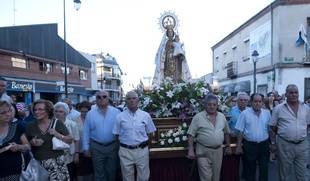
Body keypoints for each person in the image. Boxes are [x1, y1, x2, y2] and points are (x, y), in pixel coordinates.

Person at [269, 84, 310, 181]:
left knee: (302, 174)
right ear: (286, 94)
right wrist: (274, 143)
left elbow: (308, 125)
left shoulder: (306, 108)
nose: (294, 95)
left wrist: (299, 133)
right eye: (291, 92)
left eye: (296, 92)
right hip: (285, 145)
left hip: (302, 145)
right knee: (285, 173)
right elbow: (272, 127)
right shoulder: (278, 109)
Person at [113, 91, 156, 181]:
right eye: (129, 98)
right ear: (126, 101)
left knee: (144, 178)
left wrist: (148, 149)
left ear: (138, 101)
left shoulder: (145, 115)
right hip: (125, 151)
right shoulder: (119, 117)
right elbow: (116, 135)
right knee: (127, 178)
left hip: (142, 150)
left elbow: (150, 133)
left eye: (134, 98)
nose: (131, 101)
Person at [187, 94, 232, 181]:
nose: (212, 107)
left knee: (216, 178)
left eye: (214, 104)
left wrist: (228, 146)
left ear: (217, 105)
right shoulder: (198, 117)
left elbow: (226, 133)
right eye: (209, 104)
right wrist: (191, 150)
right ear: (205, 105)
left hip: (218, 151)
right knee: (206, 177)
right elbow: (191, 134)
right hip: (203, 151)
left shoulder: (222, 116)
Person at [25, 99, 72, 180]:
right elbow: (26, 144)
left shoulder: (57, 123)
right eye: (35, 110)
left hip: (57, 163)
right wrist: (32, 142)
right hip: (39, 164)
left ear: (48, 111)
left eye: (40, 109)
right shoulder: (30, 126)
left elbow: (70, 139)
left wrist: (57, 134)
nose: (36, 112)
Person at [83, 91, 120, 181]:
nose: (101, 99)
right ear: (96, 100)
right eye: (99, 97)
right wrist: (86, 148)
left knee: (112, 171)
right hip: (96, 147)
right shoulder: (90, 114)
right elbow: (86, 132)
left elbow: (121, 130)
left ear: (108, 98)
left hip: (113, 146)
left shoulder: (117, 112)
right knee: (99, 172)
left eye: (104, 96)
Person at [235, 93, 271, 181]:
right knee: (250, 169)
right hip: (249, 146)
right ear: (251, 102)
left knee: (264, 169)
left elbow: (270, 130)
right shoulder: (244, 114)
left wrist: (272, 143)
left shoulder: (267, 113)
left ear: (262, 103)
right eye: (255, 101)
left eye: (260, 101)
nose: (257, 103)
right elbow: (240, 131)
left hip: (264, 145)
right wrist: (239, 146)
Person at [0, 100, 30, 180]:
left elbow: (28, 147)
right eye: (3, 113)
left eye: (9, 111)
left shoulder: (17, 127)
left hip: (14, 173)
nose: (8, 114)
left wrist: (18, 147)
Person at [54, 102, 80, 181]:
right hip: (54, 156)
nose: (58, 113)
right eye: (56, 111)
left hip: (69, 156)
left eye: (61, 111)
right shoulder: (51, 124)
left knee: (69, 176)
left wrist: (76, 154)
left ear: (66, 113)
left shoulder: (72, 124)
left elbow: (77, 140)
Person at [76, 101, 93, 181]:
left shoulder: (92, 120)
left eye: (86, 111)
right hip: (79, 150)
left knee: (90, 170)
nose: (84, 113)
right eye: (82, 111)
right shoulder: (75, 120)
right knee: (80, 170)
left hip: (91, 149)